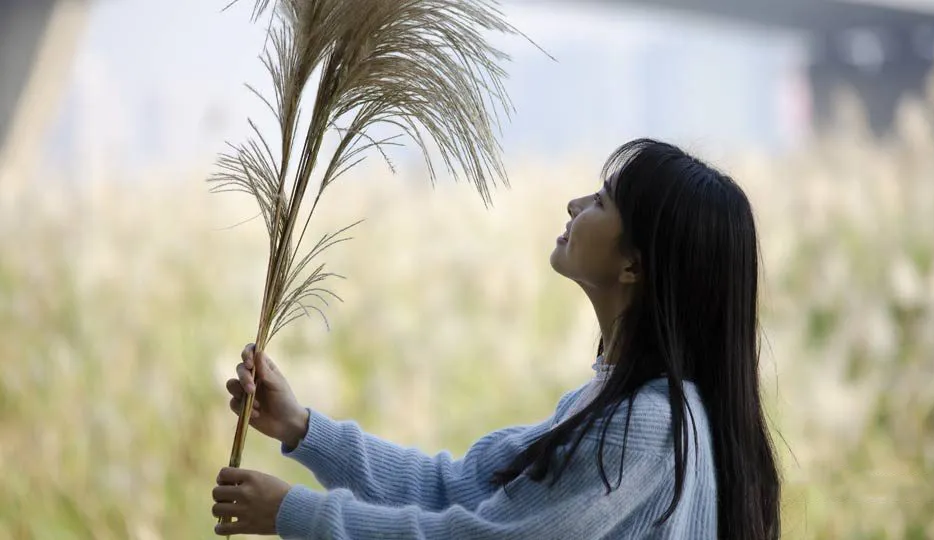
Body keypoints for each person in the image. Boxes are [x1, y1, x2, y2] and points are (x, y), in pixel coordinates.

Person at [210, 138, 782, 539]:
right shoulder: (616, 409)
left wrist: (295, 513)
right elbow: (454, 489)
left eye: (601, 201)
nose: (574, 205)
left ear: (634, 264)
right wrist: (304, 429)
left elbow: (479, 538)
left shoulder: (648, 428)